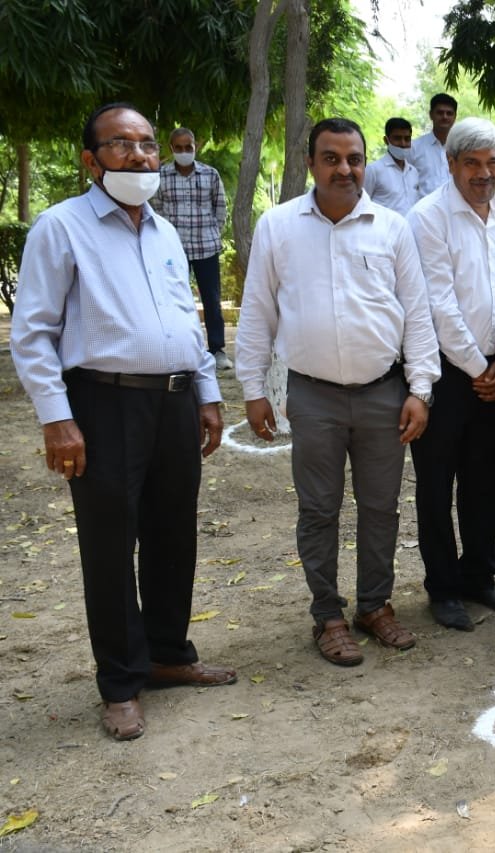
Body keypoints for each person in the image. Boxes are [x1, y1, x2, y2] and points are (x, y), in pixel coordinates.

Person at [11, 102, 235, 741]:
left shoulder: (164, 232)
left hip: (172, 401)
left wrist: (206, 393)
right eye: (121, 145)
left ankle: (167, 653)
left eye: (147, 145)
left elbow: (187, 320)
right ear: (91, 160)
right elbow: (32, 335)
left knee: (173, 533)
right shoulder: (60, 229)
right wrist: (58, 418)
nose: (139, 156)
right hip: (101, 404)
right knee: (110, 544)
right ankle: (119, 681)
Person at [236, 118, 440, 667]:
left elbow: (417, 314)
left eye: (354, 158)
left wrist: (420, 388)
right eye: (332, 158)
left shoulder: (392, 227)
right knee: (319, 510)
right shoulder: (278, 227)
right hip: (313, 396)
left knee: (381, 509)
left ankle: (375, 606)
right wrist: (254, 389)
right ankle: (327, 615)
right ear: (311, 164)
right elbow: (257, 311)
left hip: (383, 394)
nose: (344, 169)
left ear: (365, 162)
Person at [407, 118, 495, 632]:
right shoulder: (427, 217)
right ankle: (443, 587)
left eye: (491, 163)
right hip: (444, 373)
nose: (484, 174)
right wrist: (482, 367)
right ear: (451, 164)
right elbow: (437, 304)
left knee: (486, 480)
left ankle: (479, 576)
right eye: (472, 164)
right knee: (436, 483)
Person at [152, 126, 231, 370]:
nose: (185, 151)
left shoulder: (210, 175)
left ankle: (217, 350)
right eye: (180, 148)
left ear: (195, 147)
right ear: (171, 149)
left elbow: (220, 209)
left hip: (206, 247)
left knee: (212, 300)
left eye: (189, 147)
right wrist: (166, 242)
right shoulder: (161, 177)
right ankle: (181, 348)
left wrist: (212, 232)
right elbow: (156, 211)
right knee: (174, 300)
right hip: (173, 252)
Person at [362, 117, 421, 216]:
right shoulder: (373, 170)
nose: (403, 143)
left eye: (407, 139)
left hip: (411, 229)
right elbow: (362, 204)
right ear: (386, 140)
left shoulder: (413, 171)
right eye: (397, 138)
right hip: (383, 230)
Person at [410, 93, 457, 197]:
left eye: (449, 113)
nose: (445, 117)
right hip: (423, 211)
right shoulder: (414, 148)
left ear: (455, 116)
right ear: (431, 114)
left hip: (453, 210)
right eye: (440, 113)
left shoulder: (461, 149)